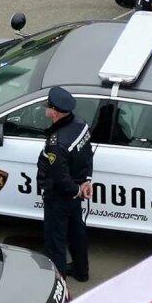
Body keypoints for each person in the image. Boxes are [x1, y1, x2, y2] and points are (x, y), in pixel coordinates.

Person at [38, 87, 93, 282]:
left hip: (59, 196)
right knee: (77, 233)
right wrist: (86, 181)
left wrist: (77, 190)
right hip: (76, 190)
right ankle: (81, 271)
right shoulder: (81, 124)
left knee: (55, 241)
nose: (45, 109)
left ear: (54, 112)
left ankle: (58, 282)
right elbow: (88, 154)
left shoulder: (57, 143)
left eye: (48, 107)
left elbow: (60, 177)